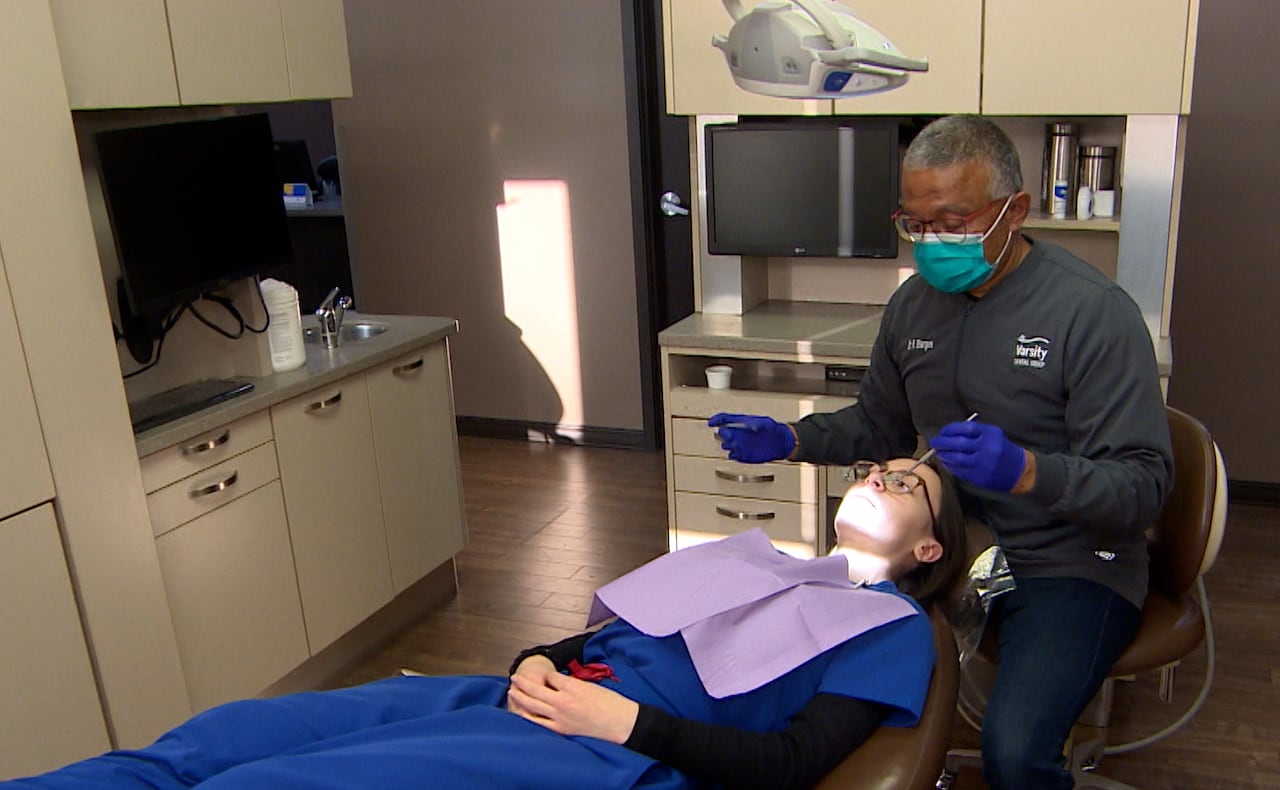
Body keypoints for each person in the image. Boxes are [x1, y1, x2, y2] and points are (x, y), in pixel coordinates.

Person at [3, 459, 964, 790]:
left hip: (611, 757)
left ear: (932, 551)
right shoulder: (755, 561)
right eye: (876, 468)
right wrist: (539, 661)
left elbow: (791, 768)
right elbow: (594, 638)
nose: (879, 476)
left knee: (270, 782)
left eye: (907, 483)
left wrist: (622, 726)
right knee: (218, 740)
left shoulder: (891, 631)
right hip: (522, 701)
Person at [708, 115, 1173, 789]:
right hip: (956, 545)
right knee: (810, 665)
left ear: (1014, 211)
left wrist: (1028, 472)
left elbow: (1143, 488)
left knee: (1014, 756)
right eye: (916, 223)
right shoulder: (914, 308)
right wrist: (793, 438)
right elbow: (880, 426)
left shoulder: (1092, 314)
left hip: (1072, 560)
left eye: (953, 221)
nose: (932, 241)